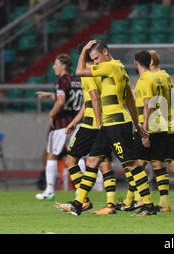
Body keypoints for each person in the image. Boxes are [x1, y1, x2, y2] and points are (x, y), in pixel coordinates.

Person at [73, 40, 155, 216]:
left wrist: (84, 50)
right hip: (109, 125)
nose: (94, 62)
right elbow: (130, 101)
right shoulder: (119, 68)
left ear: (104, 52)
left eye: (95, 58)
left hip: (117, 124)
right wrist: (137, 123)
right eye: (91, 59)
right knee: (92, 161)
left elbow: (79, 71)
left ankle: (148, 205)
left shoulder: (110, 67)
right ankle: (78, 204)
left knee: (131, 164)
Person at [123, 50, 174, 213]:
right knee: (169, 163)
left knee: (139, 162)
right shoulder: (166, 76)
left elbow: (149, 103)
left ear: (148, 63)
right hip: (168, 123)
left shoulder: (149, 79)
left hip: (155, 124)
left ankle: (134, 200)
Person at [54, 41, 115, 215]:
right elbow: (89, 102)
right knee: (104, 164)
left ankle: (83, 200)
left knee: (71, 160)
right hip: (103, 122)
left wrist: (96, 122)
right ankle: (110, 204)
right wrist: (74, 122)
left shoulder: (87, 73)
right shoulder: (100, 71)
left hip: (92, 125)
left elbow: (94, 99)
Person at [35, 54, 83, 201]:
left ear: (63, 66)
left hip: (62, 123)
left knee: (51, 154)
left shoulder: (61, 81)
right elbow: (69, 97)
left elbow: (62, 101)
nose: (54, 67)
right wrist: (50, 95)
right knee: (77, 156)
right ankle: (80, 191)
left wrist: (51, 114)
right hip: (77, 122)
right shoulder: (76, 81)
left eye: (56, 64)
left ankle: (49, 190)